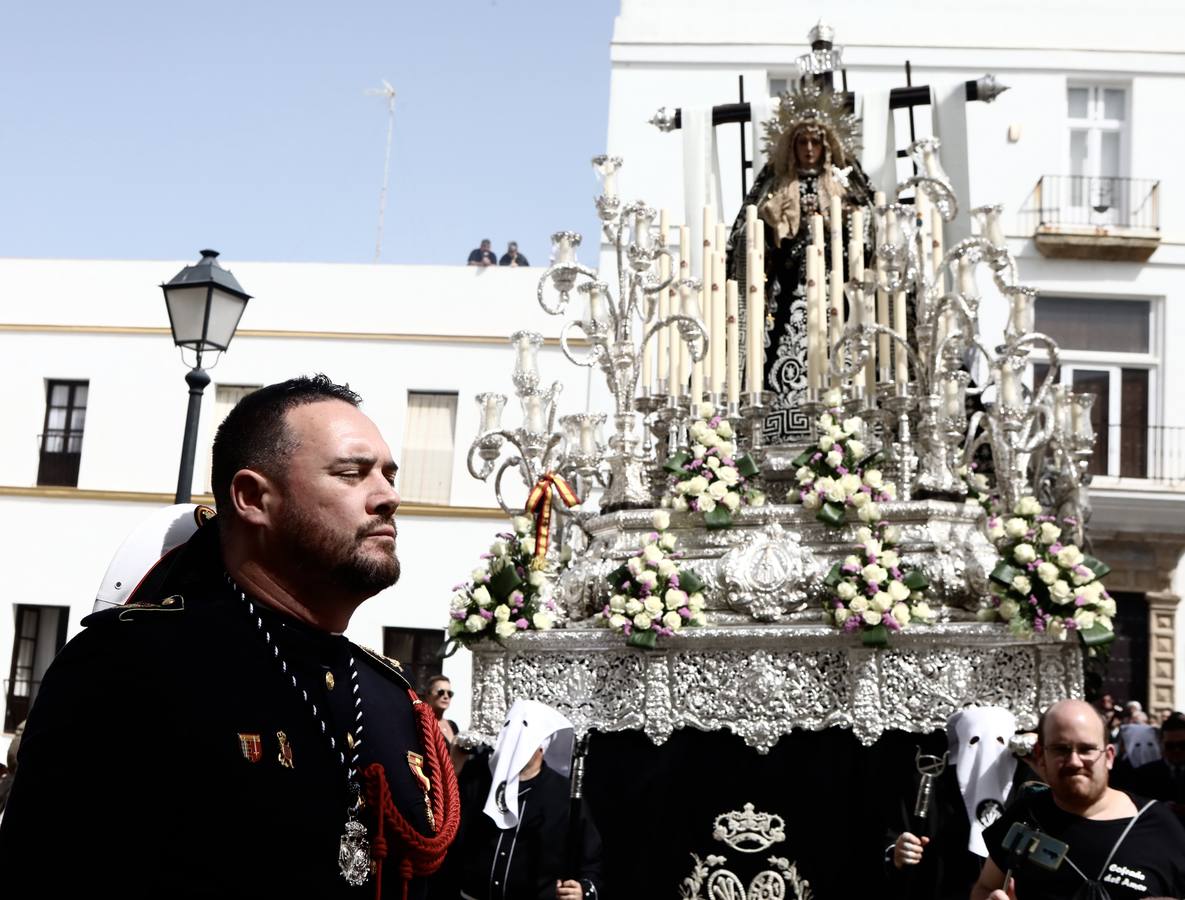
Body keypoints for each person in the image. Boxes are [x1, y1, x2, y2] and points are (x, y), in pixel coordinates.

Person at [0, 375, 460, 898]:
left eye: (388, 475)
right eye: (351, 473)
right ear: (252, 497)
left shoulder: (393, 699)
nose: (388, 497)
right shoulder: (131, 667)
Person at [726, 82, 874, 445]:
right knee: (777, 350)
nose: (809, 149)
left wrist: (845, 219)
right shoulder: (778, 187)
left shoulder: (842, 185)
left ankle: (841, 423)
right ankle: (779, 423)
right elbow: (744, 238)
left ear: (827, 147)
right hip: (789, 288)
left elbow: (870, 232)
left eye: (815, 142)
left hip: (833, 290)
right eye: (802, 142)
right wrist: (770, 223)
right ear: (791, 147)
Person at [972, 698, 1185, 900]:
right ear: (1040, 756)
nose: (1074, 761)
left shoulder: (1161, 827)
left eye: (1087, 749)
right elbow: (985, 887)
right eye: (1061, 749)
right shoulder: (1026, 816)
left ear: (1109, 756)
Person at [444, 698, 601, 900]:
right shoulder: (479, 777)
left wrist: (584, 889)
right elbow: (443, 824)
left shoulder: (563, 793)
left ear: (541, 746)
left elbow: (590, 855)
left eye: (521, 736)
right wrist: (455, 767)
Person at [885, 706, 1036, 900]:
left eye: (999, 741)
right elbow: (894, 836)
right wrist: (897, 852)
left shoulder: (1026, 789)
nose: (985, 753)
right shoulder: (931, 781)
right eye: (974, 741)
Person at [1133, 713, 1185, 824]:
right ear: (1161, 744)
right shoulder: (1143, 775)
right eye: (1170, 746)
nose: (1177, 750)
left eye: (1182, 745)